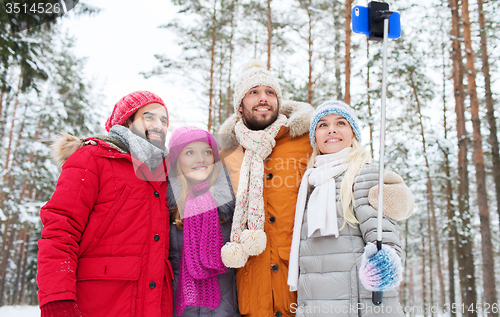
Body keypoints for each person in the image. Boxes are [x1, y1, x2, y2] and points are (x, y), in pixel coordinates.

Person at [37, 91, 174, 317]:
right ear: (127, 121)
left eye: (164, 120)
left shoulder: (164, 175)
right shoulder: (93, 158)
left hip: (152, 305)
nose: (159, 125)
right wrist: (57, 298)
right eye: (149, 117)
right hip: (97, 304)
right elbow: (60, 229)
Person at [287, 100, 413, 316]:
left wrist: (382, 264)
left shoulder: (365, 176)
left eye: (341, 123)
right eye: (323, 125)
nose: (332, 129)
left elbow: (386, 244)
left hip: (358, 308)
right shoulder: (310, 184)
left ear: (353, 133)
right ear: (315, 137)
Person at [217, 60, 314, 316]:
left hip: (299, 286)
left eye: (270, 92)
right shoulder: (225, 152)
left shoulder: (305, 141)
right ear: (240, 106)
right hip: (251, 285)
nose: (263, 98)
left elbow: (345, 171)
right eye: (254, 92)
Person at [166, 126, 240, 317]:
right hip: (180, 309)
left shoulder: (231, 204)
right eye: (189, 152)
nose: (201, 159)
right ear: (176, 161)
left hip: (225, 310)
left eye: (207, 152)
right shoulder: (166, 207)